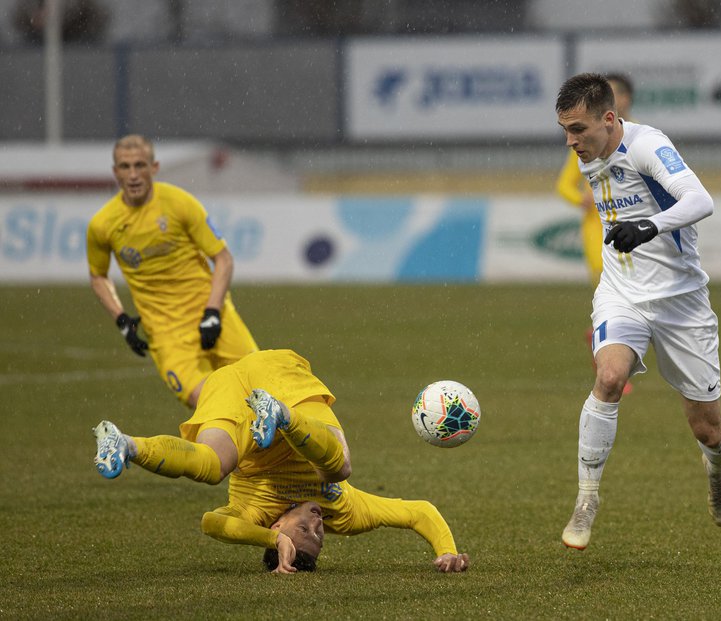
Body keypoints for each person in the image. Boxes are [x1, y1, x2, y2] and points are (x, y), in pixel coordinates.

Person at [555, 73, 721, 551]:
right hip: (622, 292)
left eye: (578, 130)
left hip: (682, 303)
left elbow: (702, 200)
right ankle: (587, 498)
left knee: (707, 428)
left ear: (609, 119)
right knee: (609, 378)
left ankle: (717, 470)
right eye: (565, 131)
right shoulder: (589, 152)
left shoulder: (647, 145)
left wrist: (649, 226)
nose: (571, 142)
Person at [92, 349, 470, 574]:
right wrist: (447, 551)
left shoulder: (255, 512)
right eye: (321, 538)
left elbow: (212, 522)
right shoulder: (342, 511)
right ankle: (283, 416)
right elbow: (418, 512)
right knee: (338, 470)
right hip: (275, 390)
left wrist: (270, 539)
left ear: (277, 524)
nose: (318, 526)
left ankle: (128, 445)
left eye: (304, 532)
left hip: (242, 383)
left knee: (213, 465)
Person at [87, 134, 258, 408]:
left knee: (264, 392)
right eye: (125, 167)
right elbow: (98, 275)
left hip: (213, 314)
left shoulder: (180, 204)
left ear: (154, 168)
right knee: (212, 405)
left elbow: (223, 259)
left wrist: (213, 313)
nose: (133, 175)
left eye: (140, 165)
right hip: (167, 333)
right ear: (115, 172)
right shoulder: (102, 225)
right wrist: (121, 319)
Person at [555, 73, 634, 395]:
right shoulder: (586, 139)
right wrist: (582, 198)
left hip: (635, 234)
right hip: (597, 232)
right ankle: (612, 369)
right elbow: (563, 185)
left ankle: (607, 348)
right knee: (614, 295)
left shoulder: (639, 138)